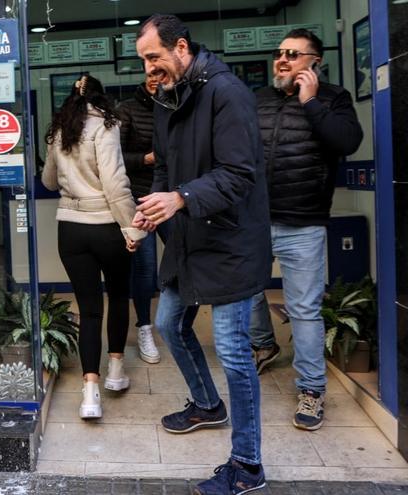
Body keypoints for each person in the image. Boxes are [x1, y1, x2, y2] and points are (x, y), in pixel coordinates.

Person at [132, 15, 271, 494]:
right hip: (189, 239)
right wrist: (149, 213)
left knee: (233, 351)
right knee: (170, 324)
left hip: (231, 243)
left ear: (182, 48)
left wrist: (180, 199)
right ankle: (208, 405)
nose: (149, 68)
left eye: (154, 57)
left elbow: (240, 174)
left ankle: (248, 464)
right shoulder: (168, 99)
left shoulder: (227, 93)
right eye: (144, 60)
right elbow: (164, 170)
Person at [250, 28, 363, 431]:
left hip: (304, 223)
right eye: (280, 52)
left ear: (314, 61)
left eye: (294, 54)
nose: (283, 59)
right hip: (255, 220)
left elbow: (347, 141)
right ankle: (263, 345)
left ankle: (312, 390)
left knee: (303, 310)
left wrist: (311, 102)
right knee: (245, 293)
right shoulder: (259, 99)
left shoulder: (333, 99)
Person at [42, 75, 145, 419]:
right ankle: (115, 372)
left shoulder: (59, 130)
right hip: (106, 227)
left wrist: (70, 173)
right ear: (101, 96)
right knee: (117, 296)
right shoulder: (106, 125)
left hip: (70, 229)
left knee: (88, 310)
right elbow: (116, 183)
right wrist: (131, 228)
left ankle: (89, 394)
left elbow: (48, 180)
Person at [116, 74, 164, 365]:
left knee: (186, 258)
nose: (155, 78)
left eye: (160, 72)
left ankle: (176, 323)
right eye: (150, 73)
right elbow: (115, 156)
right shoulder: (128, 109)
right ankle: (145, 327)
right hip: (140, 199)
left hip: (174, 197)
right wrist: (145, 159)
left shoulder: (179, 105)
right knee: (144, 268)